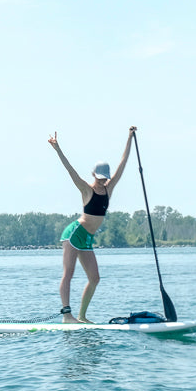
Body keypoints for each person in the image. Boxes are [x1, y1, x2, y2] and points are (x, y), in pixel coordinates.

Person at [49, 126, 136, 323]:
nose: (101, 182)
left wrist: (129, 137)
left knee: (95, 278)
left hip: (87, 239)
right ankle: (67, 316)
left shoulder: (109, 188)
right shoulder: (86, 190)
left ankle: (82, 316)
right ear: (93, 175)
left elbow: (123, 163)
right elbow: (70, 170)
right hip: (74, 234)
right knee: (68, 274)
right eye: (99, 178)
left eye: (104, 179)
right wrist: (58, 149)